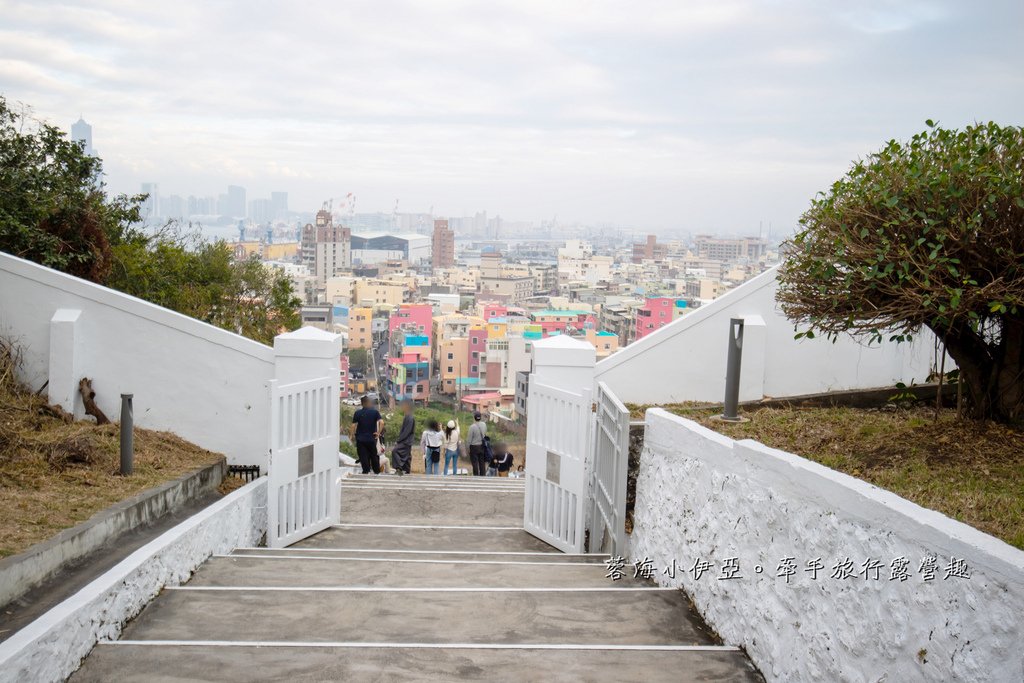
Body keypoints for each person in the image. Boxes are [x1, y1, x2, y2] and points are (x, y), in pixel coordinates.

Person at [350, 395, 383, 474]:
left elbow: (353, 425)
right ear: (369, 403)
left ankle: (366, 471)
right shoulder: (375, 412)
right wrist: (378, 433)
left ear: (362, 404)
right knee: (373, 455)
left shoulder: (357, 413)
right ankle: (376, 471)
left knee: (363, 455)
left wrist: (351, 436)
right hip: (371, 438)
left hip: (361, 439)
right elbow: (382, 422)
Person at [391, 400, 415, 475]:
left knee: (395, 451)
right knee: (407, 456)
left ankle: (399, 468)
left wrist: (399, 440)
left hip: (406, 441)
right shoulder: (407, 417)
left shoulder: (410, 418)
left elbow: (406, 432)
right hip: (406, 441)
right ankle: (407, 471)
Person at [467, 412, 488, 476]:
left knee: (475, 463)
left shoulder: (472, 427)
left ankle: (476, 476)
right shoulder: (484, 424)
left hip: (474, 447)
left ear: (474, 418)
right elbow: (484, 434)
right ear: (480, 418)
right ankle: (483, 475)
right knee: (482, 462)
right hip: (482, 446)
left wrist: (468, 448)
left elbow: (469, 439)